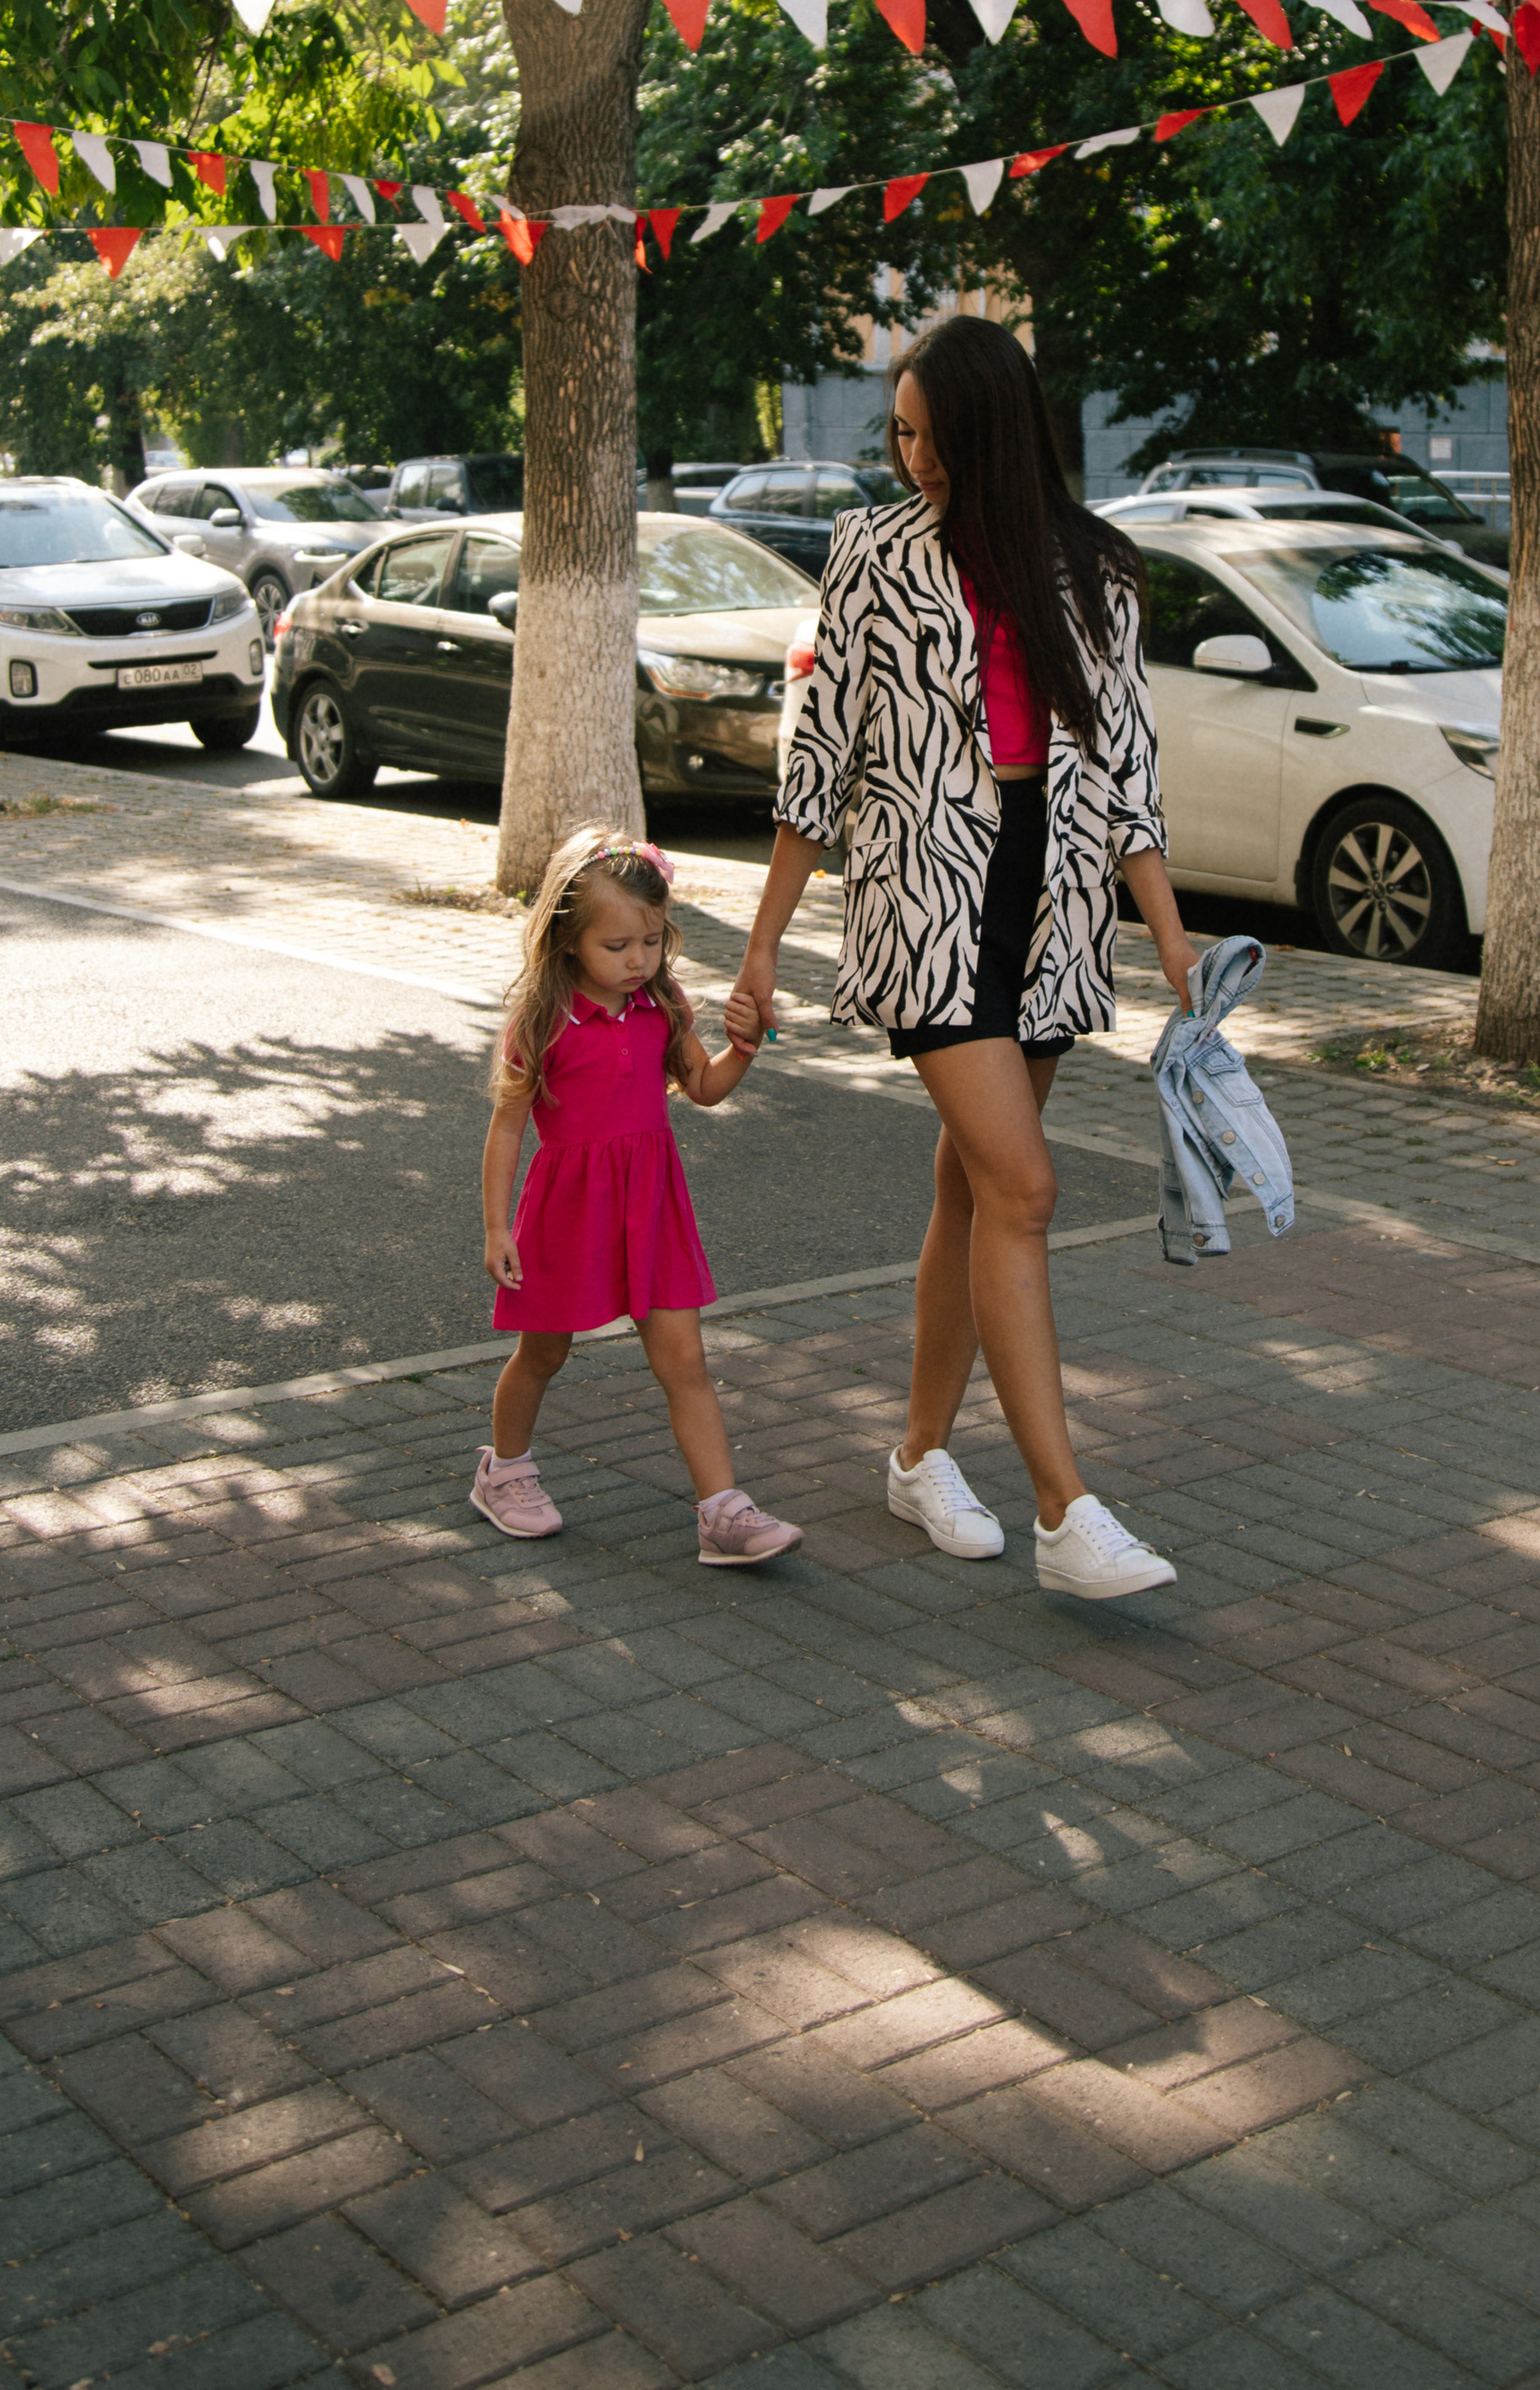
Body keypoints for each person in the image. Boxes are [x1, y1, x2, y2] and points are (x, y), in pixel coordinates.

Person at [723, 314, 1196, 1601]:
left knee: (973, 1194)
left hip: (1051, 900)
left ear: (990, 431)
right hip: (925, 899)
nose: (912, 456)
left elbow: (1129, 761)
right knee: (1028, 1190)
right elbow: (816, 758)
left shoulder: (1094, 565)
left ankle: (921, 1456)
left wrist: (1167, 933)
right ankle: (1067, 1511)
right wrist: (761, 947)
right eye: (900, 433)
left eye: (930, 435)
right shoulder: (872, 552)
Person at [472, 828, 802, 1565]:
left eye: (650, 941)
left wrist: (746, 1046)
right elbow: (506, 1128)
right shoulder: (542, 1018)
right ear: (568, 942)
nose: (638, 960)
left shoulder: (663, 1006)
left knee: (685, 1360)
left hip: (652, 1206)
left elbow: (707, 1089)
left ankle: (723, 1512)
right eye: (617, 946)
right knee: (542, 1353)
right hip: (566, 1213)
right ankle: (504, 1472)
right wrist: (498, 1228)